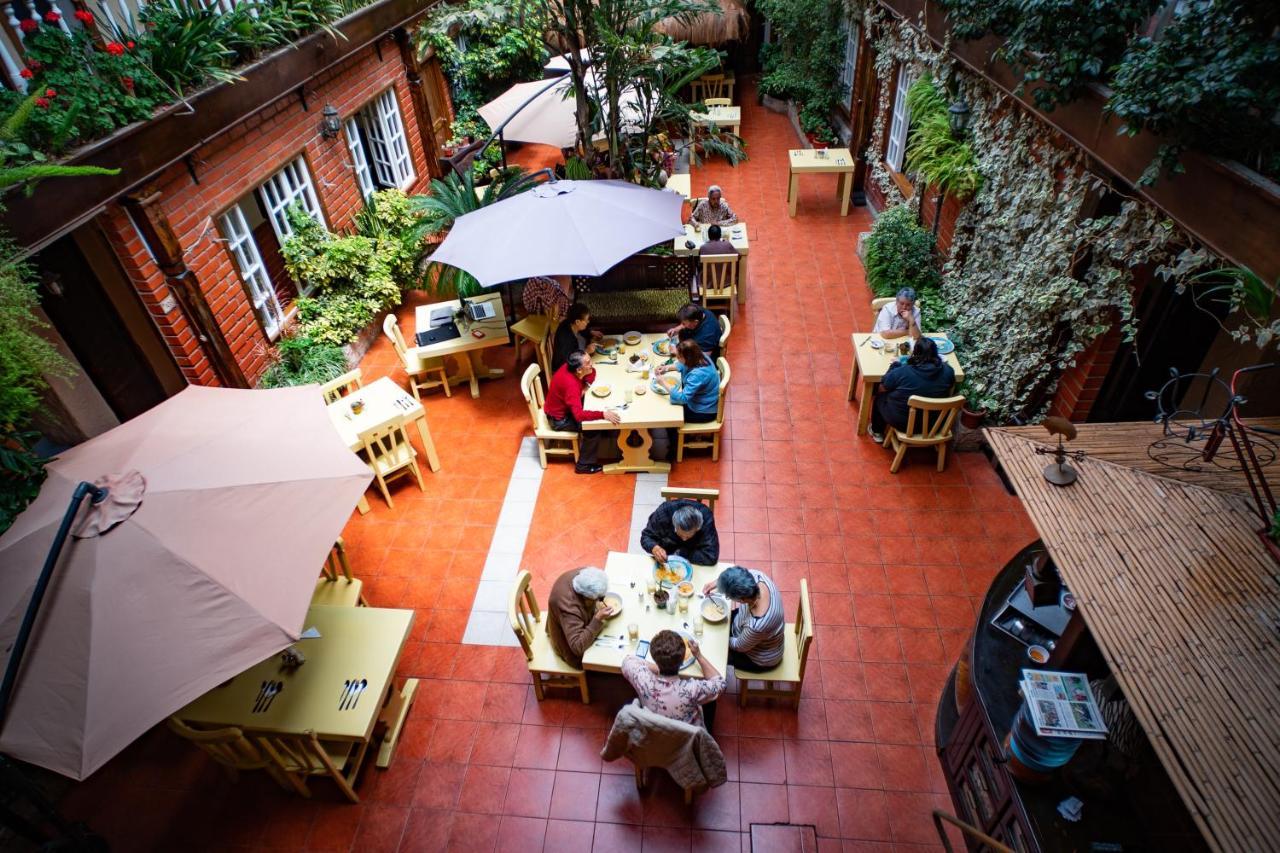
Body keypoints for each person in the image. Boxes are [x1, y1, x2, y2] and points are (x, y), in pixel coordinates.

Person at [621, 630, 724, 730]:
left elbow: (627, 661)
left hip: (654, 734)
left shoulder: (643, 680)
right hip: (686, 738)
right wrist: (698, 655)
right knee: (711, 703)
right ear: (682, 659)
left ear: (653, 657)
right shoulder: (691, 689)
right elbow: (720, 683)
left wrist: (657, 667)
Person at [544, 350, 622, 474]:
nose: (592, 363)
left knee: (596, 416)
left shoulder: (570, 367)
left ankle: (605, 434)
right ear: (579, 370)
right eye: (588, 362)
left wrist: (586, 386)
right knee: (592, 428)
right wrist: (603, 414)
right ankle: (583, 465)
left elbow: (592, 372)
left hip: (562, 407)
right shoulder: (572, 386)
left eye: (589, 359)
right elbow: (579, 416)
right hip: (559, 420)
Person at [869, 336, 956, 444]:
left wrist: (894, 365)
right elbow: (950, 386)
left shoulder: (903, 371)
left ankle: (877, 432)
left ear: (915, 353)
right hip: (935, 424)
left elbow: (885, 384)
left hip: (903, 423)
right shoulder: (948, 371)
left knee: (880, 397)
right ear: (936, 353)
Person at [702, 565, 784, 672]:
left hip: (758, 658)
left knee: (711, 655)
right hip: (743, 626)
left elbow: (739, 646)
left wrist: (719, 638)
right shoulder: (756, 577)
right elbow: (738, 576)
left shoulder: (757, 624)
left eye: (728, 596)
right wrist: (717, 582)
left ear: (741, 600)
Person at [547, 566, 618, 668]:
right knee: (607, 657)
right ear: (587, 598)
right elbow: (577, 647)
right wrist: (597, 619)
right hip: (566, 645)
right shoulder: (569, 607)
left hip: (565, 623)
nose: (600, 601)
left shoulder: (583, 575)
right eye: (598, 599)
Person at [658, 339, 720, 424]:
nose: (677, 358)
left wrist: (663, 382)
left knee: (669, 415)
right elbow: (683, 364)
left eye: (679, 357)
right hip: (705, 400)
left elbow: (683, 398)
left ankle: (673, 435)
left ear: (687, 358)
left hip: (704, 410)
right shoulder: (698, 355)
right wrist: (666, 367)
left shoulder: (697, 375)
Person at [640, 498, 719, 565]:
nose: (684, 539)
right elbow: (646, 537)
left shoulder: (706, 520)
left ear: (698, 528)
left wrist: (682, 553)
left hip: (692, 552)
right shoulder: (662, 514)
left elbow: (711, 556)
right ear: (674, 524)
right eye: (680, 534)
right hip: (666, 553)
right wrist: (654, 548)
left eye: (688, 536)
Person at [551, 303, 600, 372]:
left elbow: (583, 330)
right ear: (577, 322)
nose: (588, 322)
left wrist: (591, 333)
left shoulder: (570, 323)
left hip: (575, 361)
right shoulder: (566, 339)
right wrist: (586, 351)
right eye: (586, 320)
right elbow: (569, 362)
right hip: (565, 371)